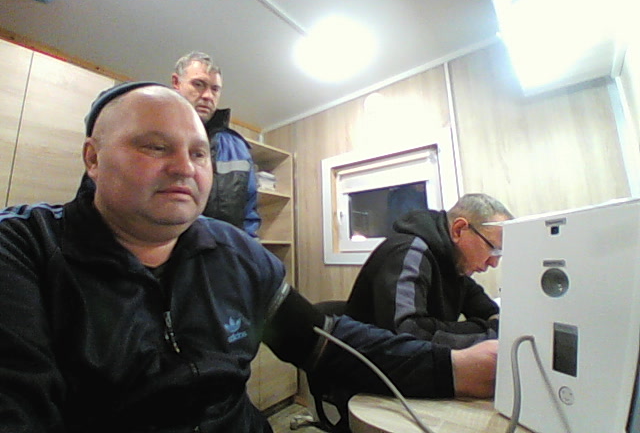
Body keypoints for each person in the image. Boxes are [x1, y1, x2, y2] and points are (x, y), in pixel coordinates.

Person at [0, 83, 497, 432]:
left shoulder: (235, 253)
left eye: (199, 154)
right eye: (155, 147)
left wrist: (452, 367)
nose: (184, 167)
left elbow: (324, 341)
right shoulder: (24, 248)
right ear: (92, 158)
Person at [345, 193, 514, 349]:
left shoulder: (455, 263)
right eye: (493, 249)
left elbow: (490, 312)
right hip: (367, 364)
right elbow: (407, 332)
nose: (494, 263)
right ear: (458, 230)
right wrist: (488, 331)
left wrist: (494, 326)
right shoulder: (409, 252)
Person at [171, 51, 260, 237]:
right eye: (198, 84)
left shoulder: (238, 148)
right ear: (176, 83)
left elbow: (248, 215)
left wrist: (246, 249)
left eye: (215, 89)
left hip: (224, 251)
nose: (208, 96)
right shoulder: (151, 131)